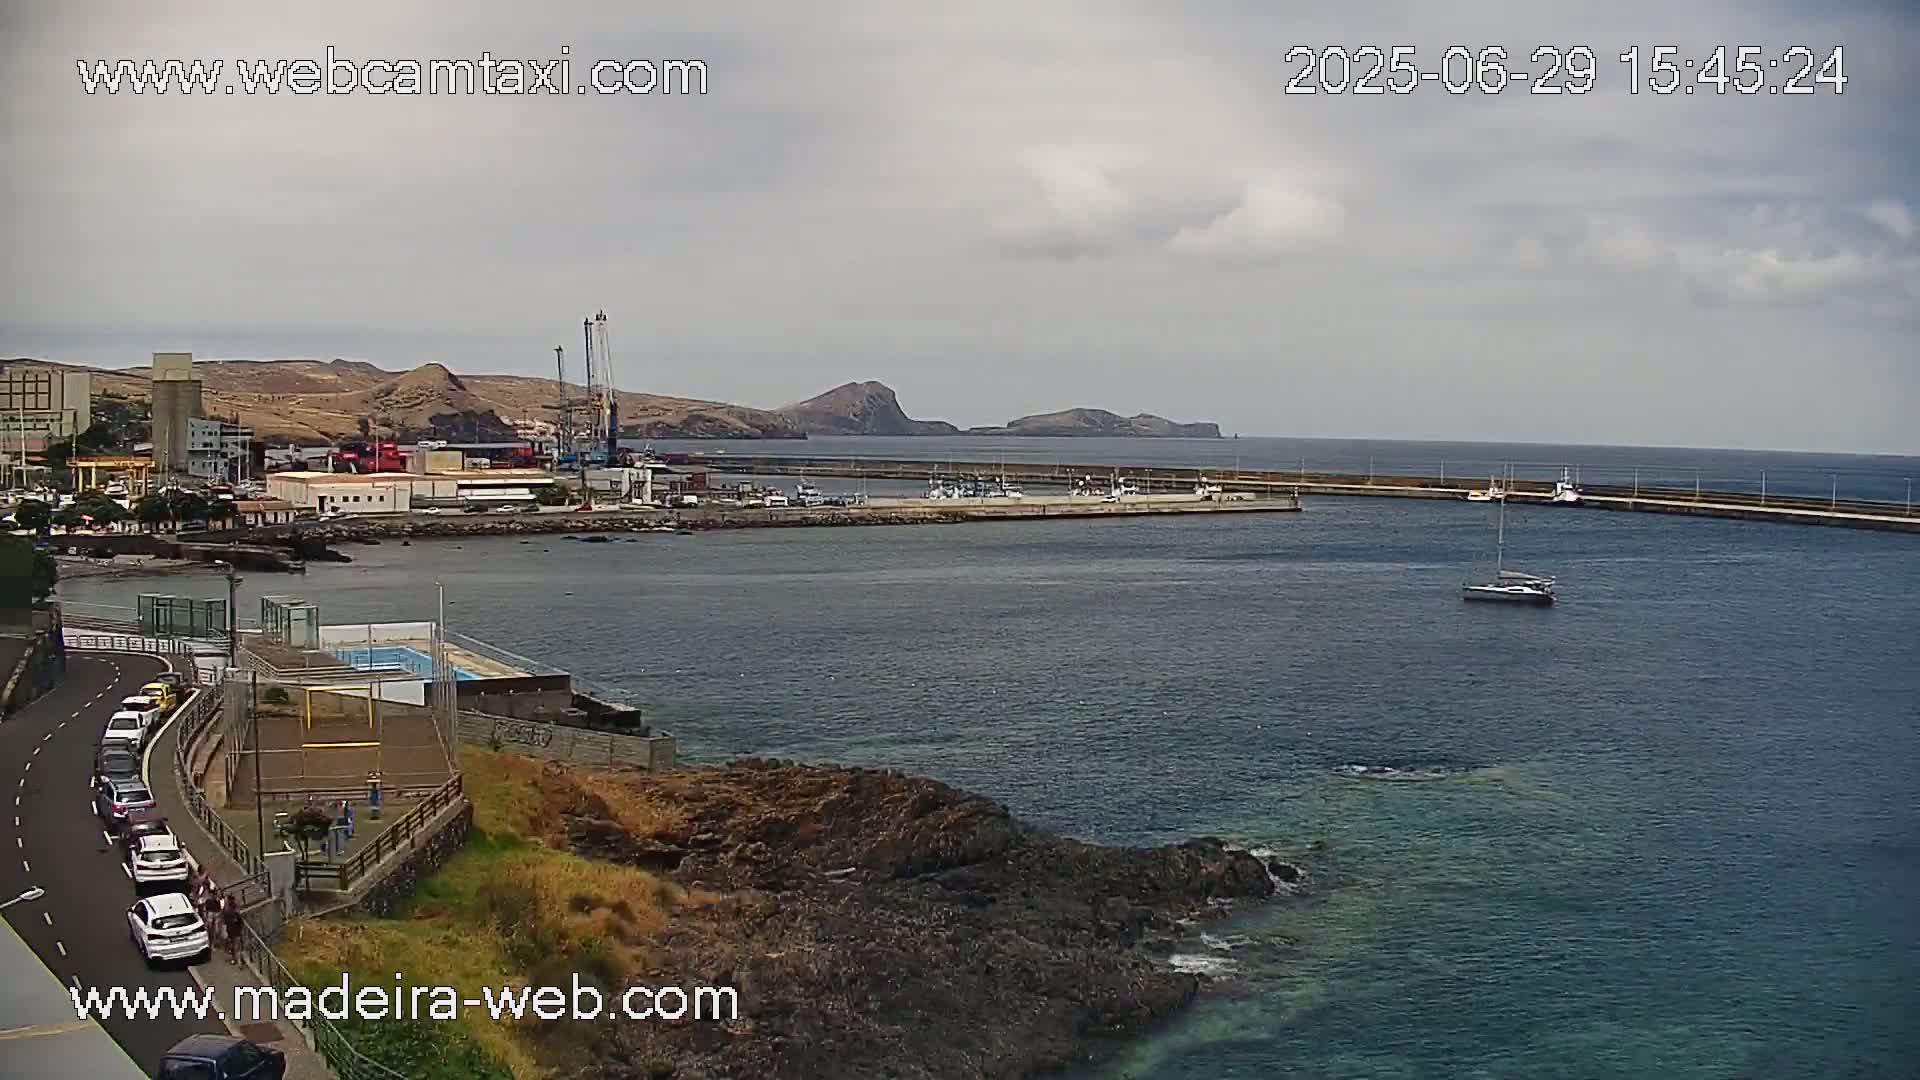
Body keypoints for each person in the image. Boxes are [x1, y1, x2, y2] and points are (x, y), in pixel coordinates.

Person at [220, 894, 244, 964]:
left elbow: (240, 920)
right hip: (232, 930)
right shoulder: (228, 909)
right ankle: (236, 959)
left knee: (236, 945)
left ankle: (237, 960)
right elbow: (225, 920)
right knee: (233, 946)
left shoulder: (232, 909)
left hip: (234, 930)